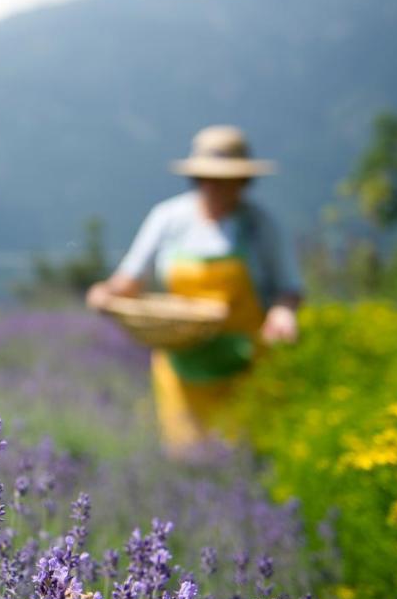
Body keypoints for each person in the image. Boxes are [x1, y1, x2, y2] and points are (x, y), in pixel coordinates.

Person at [86, 125, 301, 458]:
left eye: (225, 179)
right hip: (183, 366)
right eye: (206, 178)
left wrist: (283, 312)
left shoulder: (259, 225)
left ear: (243, 181)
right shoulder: (168, 218)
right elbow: (128, 281)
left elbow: (288, 288)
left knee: (246, 458)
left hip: (245, 364)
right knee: (188, 459)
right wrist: (105, 293)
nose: (213, 187)